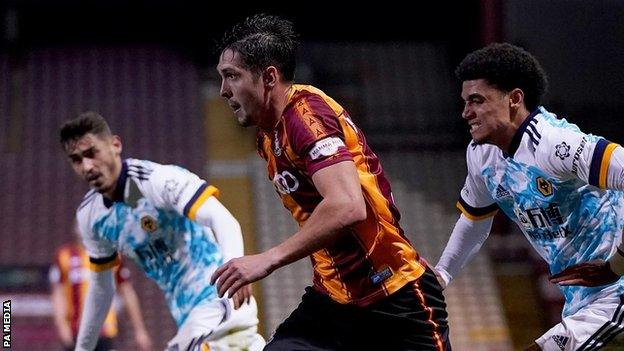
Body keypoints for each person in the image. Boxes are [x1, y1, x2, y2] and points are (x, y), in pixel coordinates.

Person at [211, 13, 450, 350]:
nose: (223, 90)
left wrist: (268, 258)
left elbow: (346, 205)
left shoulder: (306, 117)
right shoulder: (268, 137)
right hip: (334, 301)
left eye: (231, 76)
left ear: (268, 77)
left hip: (395, 301)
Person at [433, 43, 624, 351]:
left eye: (477, 100)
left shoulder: (555, 143)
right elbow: (474, 220)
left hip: (617, 295)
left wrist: (618, 263)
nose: (465, 112)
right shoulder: (482, 156)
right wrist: (441, 275)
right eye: (465, 101)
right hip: (582, 303)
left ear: (514, 99)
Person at [59, 111, 265, 351]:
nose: (87, 166)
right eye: (76, 159)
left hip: (221, 300)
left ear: (115, 145)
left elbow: (223, 220)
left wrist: (235, 271)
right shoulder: (91, 216)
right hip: (188, 316)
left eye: (91, 153)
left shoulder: (158, 180)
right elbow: (102, 287)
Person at [49, 222, 153, 351]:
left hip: (105, 330)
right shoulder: (63, 256)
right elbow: (58, 295)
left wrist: (139, 330)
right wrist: (62, 326)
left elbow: (127, 292)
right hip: (77, 330)